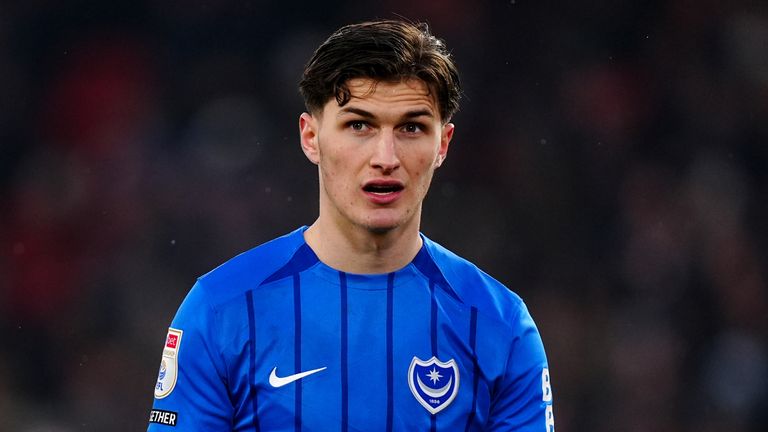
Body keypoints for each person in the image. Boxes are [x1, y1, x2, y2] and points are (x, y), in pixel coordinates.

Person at [148, 19, 554, 431]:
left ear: (442, 145)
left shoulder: (500, 325)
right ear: (311, 137)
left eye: (411, 128)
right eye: (359, 125)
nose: (386, 157)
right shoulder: (221, 308)